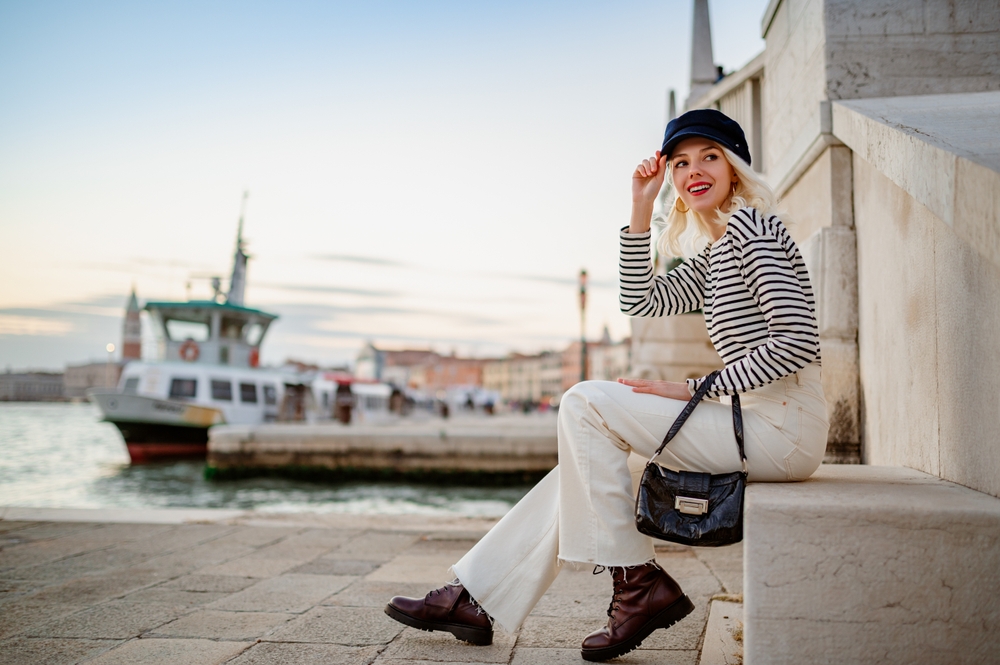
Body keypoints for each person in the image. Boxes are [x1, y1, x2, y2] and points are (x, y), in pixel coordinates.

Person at [384, 109, 829, 662]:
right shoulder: (717, 251)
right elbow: (641, 301)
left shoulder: (755, 228)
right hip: (753, 420)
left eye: (710, 156)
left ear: (735, 167)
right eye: (681, 162)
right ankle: (475, 596)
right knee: (581, 462)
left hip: (781, 426)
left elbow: (796, 345)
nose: (695, 170)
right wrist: (640, 210)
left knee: (584, 401)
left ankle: (636, 583)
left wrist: (694, 387)